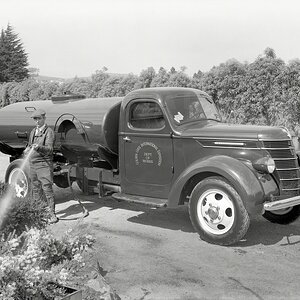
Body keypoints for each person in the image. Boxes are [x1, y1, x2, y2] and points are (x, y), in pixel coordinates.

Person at [24, 108, 58, 224]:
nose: (37, 121)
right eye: (35, 119)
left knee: (47, 189)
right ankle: (37, 212)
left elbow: (49, 150)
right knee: (36, 189)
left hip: (44, 164)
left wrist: (38, 147)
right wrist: (27, 150)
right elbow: (29, 145)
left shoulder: (49, 132)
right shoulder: (33, 131)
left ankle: (52, 214)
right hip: (33, 164)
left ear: (44, 118)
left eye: (39, 119)